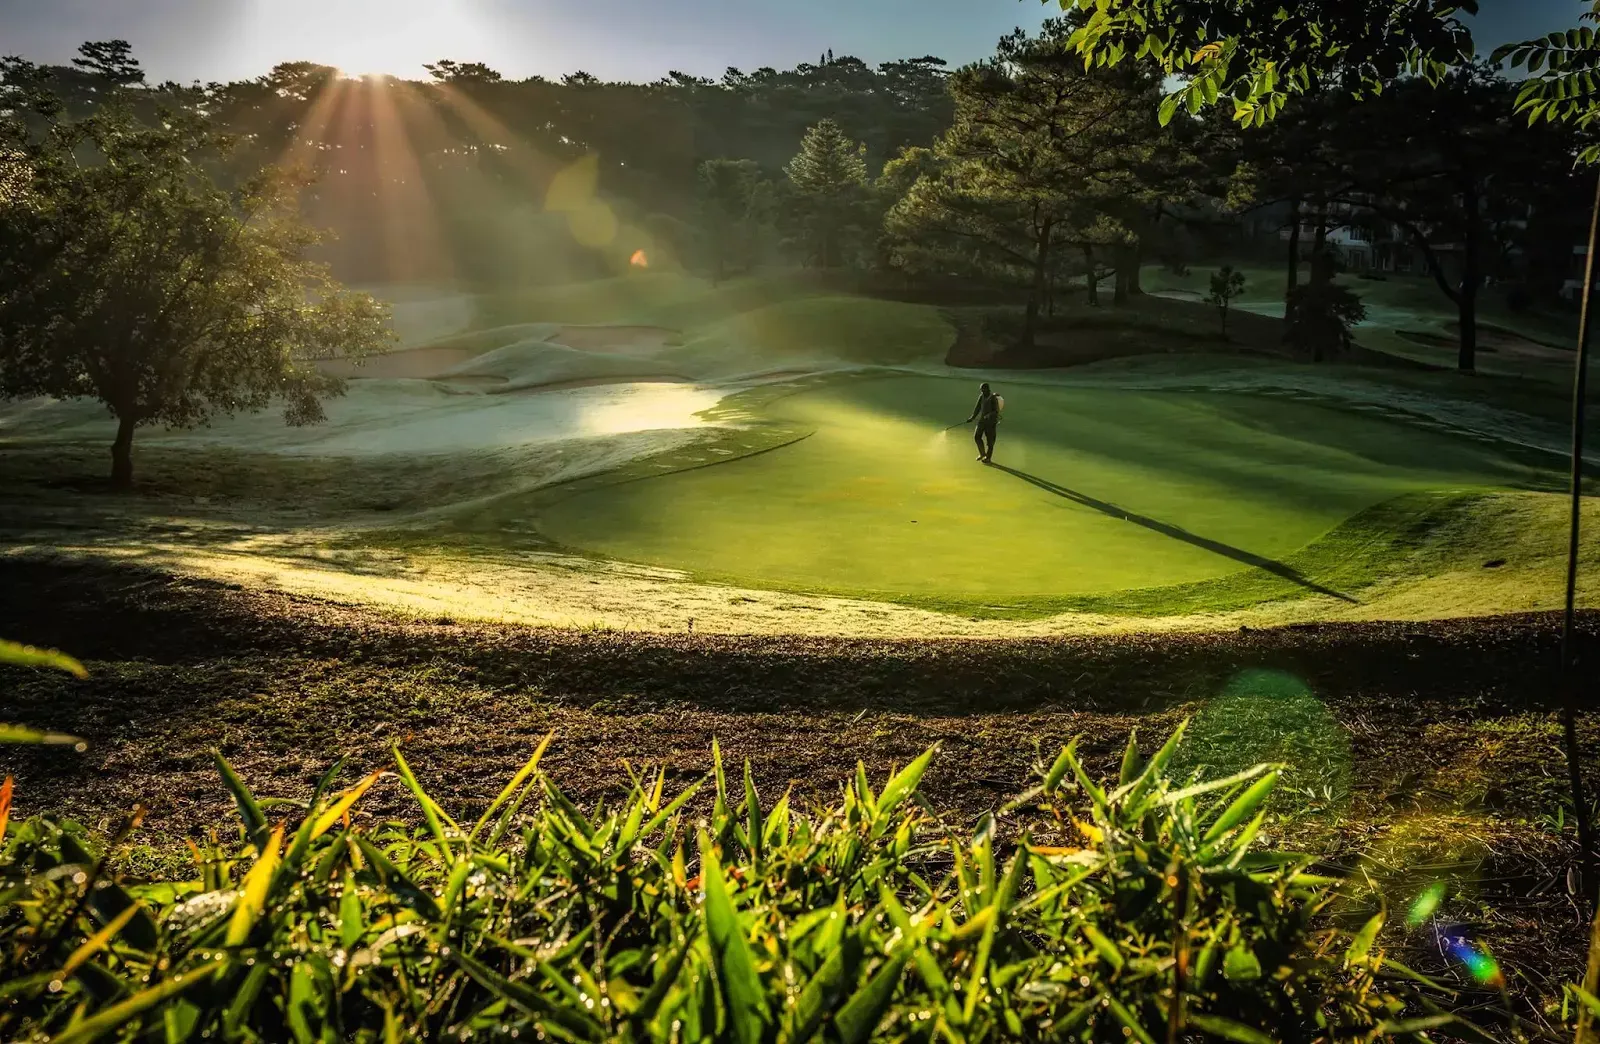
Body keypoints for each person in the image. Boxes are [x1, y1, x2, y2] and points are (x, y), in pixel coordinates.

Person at [966, 382, 1001, 463]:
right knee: (977, 437)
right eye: (981, 389)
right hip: (982, 421)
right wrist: (972, 417)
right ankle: (982, 453)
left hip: (991, 423)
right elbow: (977, 408)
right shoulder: (981, 396)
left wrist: (989, 415)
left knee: (990, 442)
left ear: (987, 389)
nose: (982, 391)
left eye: (983, 389)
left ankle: (988, 458)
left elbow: (996, 411)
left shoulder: (993, 398)